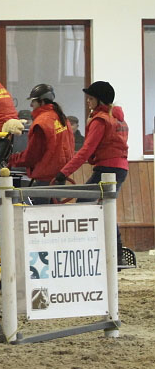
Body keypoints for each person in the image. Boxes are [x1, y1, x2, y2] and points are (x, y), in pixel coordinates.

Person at [55, 81, 128, 255]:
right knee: (104, 207)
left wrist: (64, 172)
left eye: (91, 98)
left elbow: (86, 150)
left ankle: (90, 248)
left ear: (99, 100)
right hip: (120, 168)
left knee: (85, 205)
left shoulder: (100, 120)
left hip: (107, 170)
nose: (88, 102)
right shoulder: (118, 119)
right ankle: (115, 251)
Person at [7, 84, 74, 204]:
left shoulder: (41, 123)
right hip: (59, 175)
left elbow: (32, 155)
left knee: (38, 214)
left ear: (41, 101)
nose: (31, 105)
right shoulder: (62, 118)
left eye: (33, 101)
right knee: (54, 215)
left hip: (45, 177)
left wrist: (12, 159)